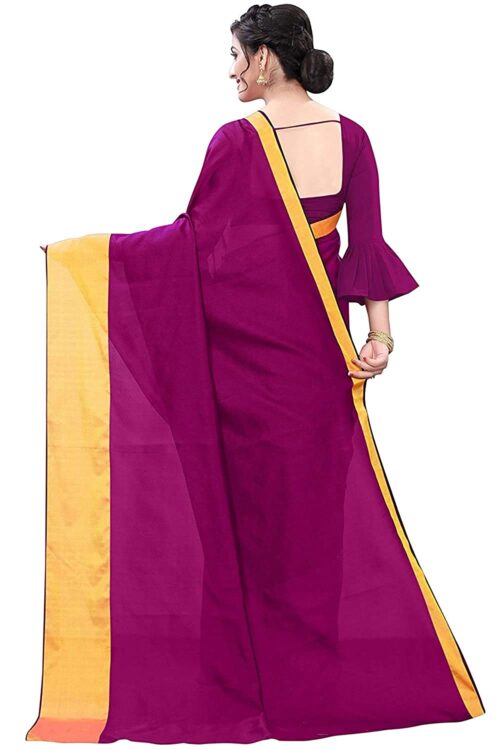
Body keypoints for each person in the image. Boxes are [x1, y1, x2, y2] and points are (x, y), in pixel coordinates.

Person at [27, 3, 485, 745]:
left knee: (247, 513)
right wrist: (380, 339)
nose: (232, 71)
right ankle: (309, 670)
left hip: (243, 368)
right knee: (316, 515)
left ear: (267, 57)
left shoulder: (237, 141)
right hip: (323, 360)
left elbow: (194, 249)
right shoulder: (353, 138)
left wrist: (92, 257)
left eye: (237, 55)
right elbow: (365, 245)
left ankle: (251, 671)